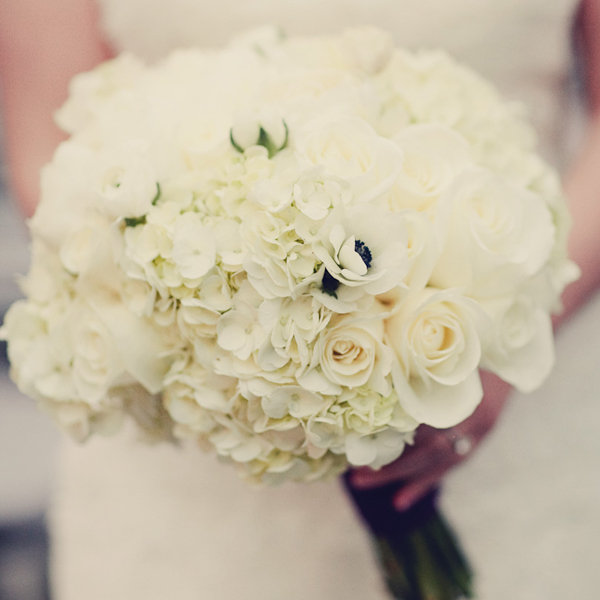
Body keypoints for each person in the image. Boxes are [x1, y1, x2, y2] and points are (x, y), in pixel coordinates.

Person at [0, 1, 599, 598]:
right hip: (197, 477)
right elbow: (46, 145)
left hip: (516, 402)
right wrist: (211, 342)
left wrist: (491, 353)